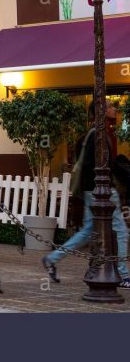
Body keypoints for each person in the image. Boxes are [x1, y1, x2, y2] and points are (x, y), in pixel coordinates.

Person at [43, 103, 130, 289]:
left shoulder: (93, 133)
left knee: (87, 231)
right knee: (122, 230)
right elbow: (104, 164)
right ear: (101, 111)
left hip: (93, 190)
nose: (115, 109)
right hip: (101, 190)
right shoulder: (98, 134)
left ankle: (52, 258)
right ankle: (123, 274)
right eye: (110, 106)